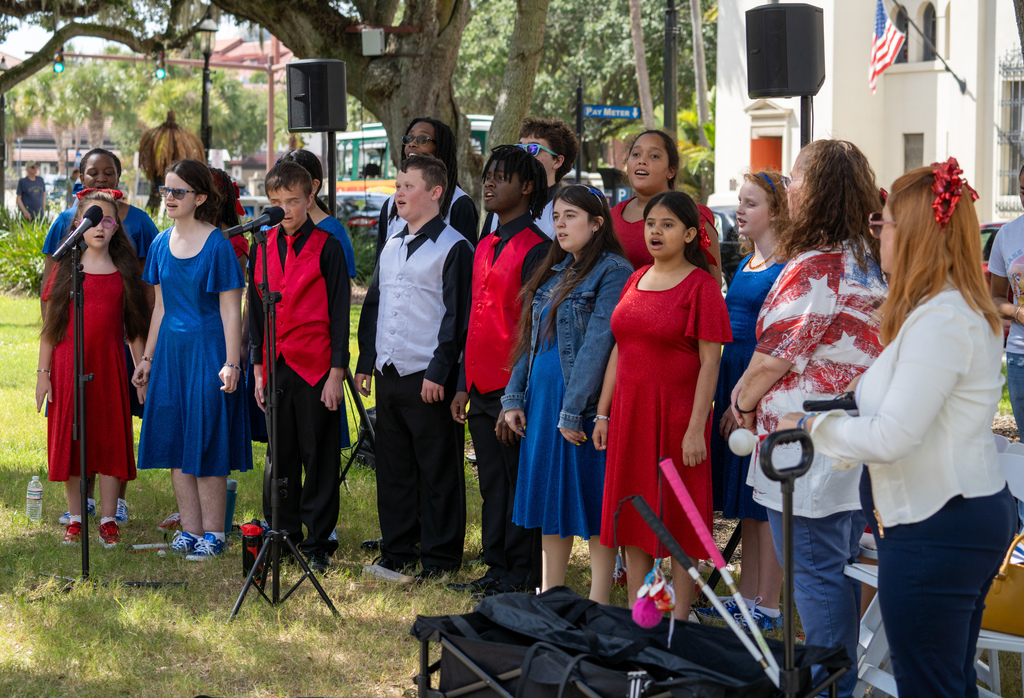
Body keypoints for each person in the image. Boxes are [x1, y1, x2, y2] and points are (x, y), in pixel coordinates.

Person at [779, 158, 1016, 698]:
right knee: (945, 679)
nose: (876, 233)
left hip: (938, 527)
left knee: (929, 683)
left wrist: (814, 426)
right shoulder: (938, 311)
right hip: (944, 520)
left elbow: (892, 436)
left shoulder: (943, 320)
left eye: (882, 221)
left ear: (908, 234)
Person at [731, 139, 887, 698]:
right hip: (848, 447)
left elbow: (773, 357)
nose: (789, 187)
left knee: (818, 581)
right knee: (837, 572)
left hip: (806, 454)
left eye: (796, 178)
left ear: (818, 191)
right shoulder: (868, 260)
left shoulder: (818, 265)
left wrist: (741, 403)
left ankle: (830, 689)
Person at [595, 191, 731, 620]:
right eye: (651, 223)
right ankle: (643, 614)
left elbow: (712, 361)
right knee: (635, 514)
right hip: (629, 417)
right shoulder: (635, 280)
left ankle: (680, 619)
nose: (655, 230)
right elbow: (621, 347)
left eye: (667, 224)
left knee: (680, 519)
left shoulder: (702, 286)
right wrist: (603, 411)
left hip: (677, 417)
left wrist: (696, 427)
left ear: (691, 233)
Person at [501, 185, 631, 602]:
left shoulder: (613, 271)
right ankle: (550, 592)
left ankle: (598, 600)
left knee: (593, 500)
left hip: (581, 401)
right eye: (556, 216)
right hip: (542, 398)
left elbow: (598, 343)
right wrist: (514, 397)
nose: (560, 223)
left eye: (571, 215)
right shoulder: (554, 270)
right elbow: (529, 339)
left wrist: (573, 411)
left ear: (597, 223)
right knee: (551, 500)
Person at [356, 155, 473, 581]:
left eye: (408, 185)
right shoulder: (391, 244)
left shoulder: (456, 247)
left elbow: (456, 319)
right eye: (397, 185)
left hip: (428, 377)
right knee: (394, 467)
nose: (399, 192)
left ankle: (441, 558)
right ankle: (398, 550)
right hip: (388, 374)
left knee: (438, 469)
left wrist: (440, 373)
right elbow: (375, 304)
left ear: (436, 192)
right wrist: (366, 360)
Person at [132, 159, 252, 560]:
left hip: (208, 351)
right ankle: (190, 529)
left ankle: (214, 534)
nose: (169, 198)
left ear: (200, 197)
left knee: (206, 441)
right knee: (175, 439)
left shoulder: (217, 244)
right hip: (170, 353)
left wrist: (231, 362)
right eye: (166, 190)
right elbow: (161, 307)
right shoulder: (159, 244)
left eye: (178, 191)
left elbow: (230, 310)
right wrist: (147, 359)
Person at [447, 145, 551, 597]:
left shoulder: (539, 249)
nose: (489, 183)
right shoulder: (485, 243)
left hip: (512, 389)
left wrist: (517, 395)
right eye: (488, 176)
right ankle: (495, 567)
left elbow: (532, 329)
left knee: (516, 483)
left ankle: (521, 573)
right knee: (491, 483)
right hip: (477, 383)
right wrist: (460, 387)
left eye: (502, 177)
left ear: (527, 187)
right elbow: (474, 317)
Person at [41, 149, 160, 527]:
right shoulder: (65, 268)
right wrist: (43, 372)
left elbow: (134, 325)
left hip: (109, 364)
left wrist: (143, 363)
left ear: (117, 227)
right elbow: (51, 324)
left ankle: (110, 515)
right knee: (74, 437)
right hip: (67, 363)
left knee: (109, 436)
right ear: (76, 225)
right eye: (91, 220)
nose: (99, 226)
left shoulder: (125, 268)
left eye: (108, 221)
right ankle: (78, 513)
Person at [247, 161, 350, 574]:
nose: (285, 209)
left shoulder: (328, 245)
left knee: (318, 454)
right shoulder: (262, 244)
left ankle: (319, 539)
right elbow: (254, 309)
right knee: (280, 453)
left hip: (316, 365)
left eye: (292, 201)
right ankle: (282, 531)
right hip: (275, 364)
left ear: (310, 199)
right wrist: (256, 366)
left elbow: (341, 313)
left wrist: (337, 373)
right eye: (276, 202)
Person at [702, 170, 788, 630]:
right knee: (746, 496)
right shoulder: (748, 261)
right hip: (731, 378)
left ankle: (768, 603)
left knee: (762, 499)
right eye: (740, 201)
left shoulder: (785, 265)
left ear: (777, 210)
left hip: (759, 385)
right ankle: (750, 591)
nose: (740, 210)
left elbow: (775, 340)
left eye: (751, 203)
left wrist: (748, 401)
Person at [610, 130, 723, 285]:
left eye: (654, 156)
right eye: (636, 154)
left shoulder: (696, 216)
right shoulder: (611, 216)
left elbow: (712, 284)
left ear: (671, 171)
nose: (642, 161)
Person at [375, 117, 479, 256]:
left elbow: (464, 264)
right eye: (409, 138)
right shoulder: (391, 205)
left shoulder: (459, 203)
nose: (412, 143)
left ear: (440, 149)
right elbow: (380, 261)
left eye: (423, 139)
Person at [987, 162, 1024, 533]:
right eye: (1023, 191)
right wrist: (1016, 312)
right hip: (1020, 356)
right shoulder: (1008, 236)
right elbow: (995, 296)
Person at [482, 116, 581, 238]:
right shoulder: (500, 206)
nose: (522, 156)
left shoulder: (566, 212)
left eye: (533, 149)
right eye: (519, 148)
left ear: (557, 161)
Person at [278, 149, 357, 279]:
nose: (284, 191)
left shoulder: (334, 231)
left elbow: (341, 292)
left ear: (314, 186)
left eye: (291, 184)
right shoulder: (268, 228)